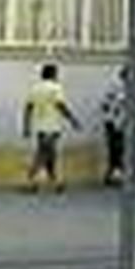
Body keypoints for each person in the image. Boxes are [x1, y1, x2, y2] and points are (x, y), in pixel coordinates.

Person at [22, 63, 81, 193]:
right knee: (45, 154)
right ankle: (33, 180)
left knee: (48, 153)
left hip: (40, 126)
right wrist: (73, 120)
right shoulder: (55, 88)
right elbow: (60, 105)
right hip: (52, 126)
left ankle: (54, 181)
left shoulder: (35, 88)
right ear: (53, 74)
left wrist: (26, 126)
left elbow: (28, 108)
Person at [99, 66, 128, 186]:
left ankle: (113, 175)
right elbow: (107, 104)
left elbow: (104, 104)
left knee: (115, 150)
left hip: (114, 122)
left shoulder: (114, 87)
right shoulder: (121, 88)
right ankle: (116, 175)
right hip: (117, 123)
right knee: (117, 150)